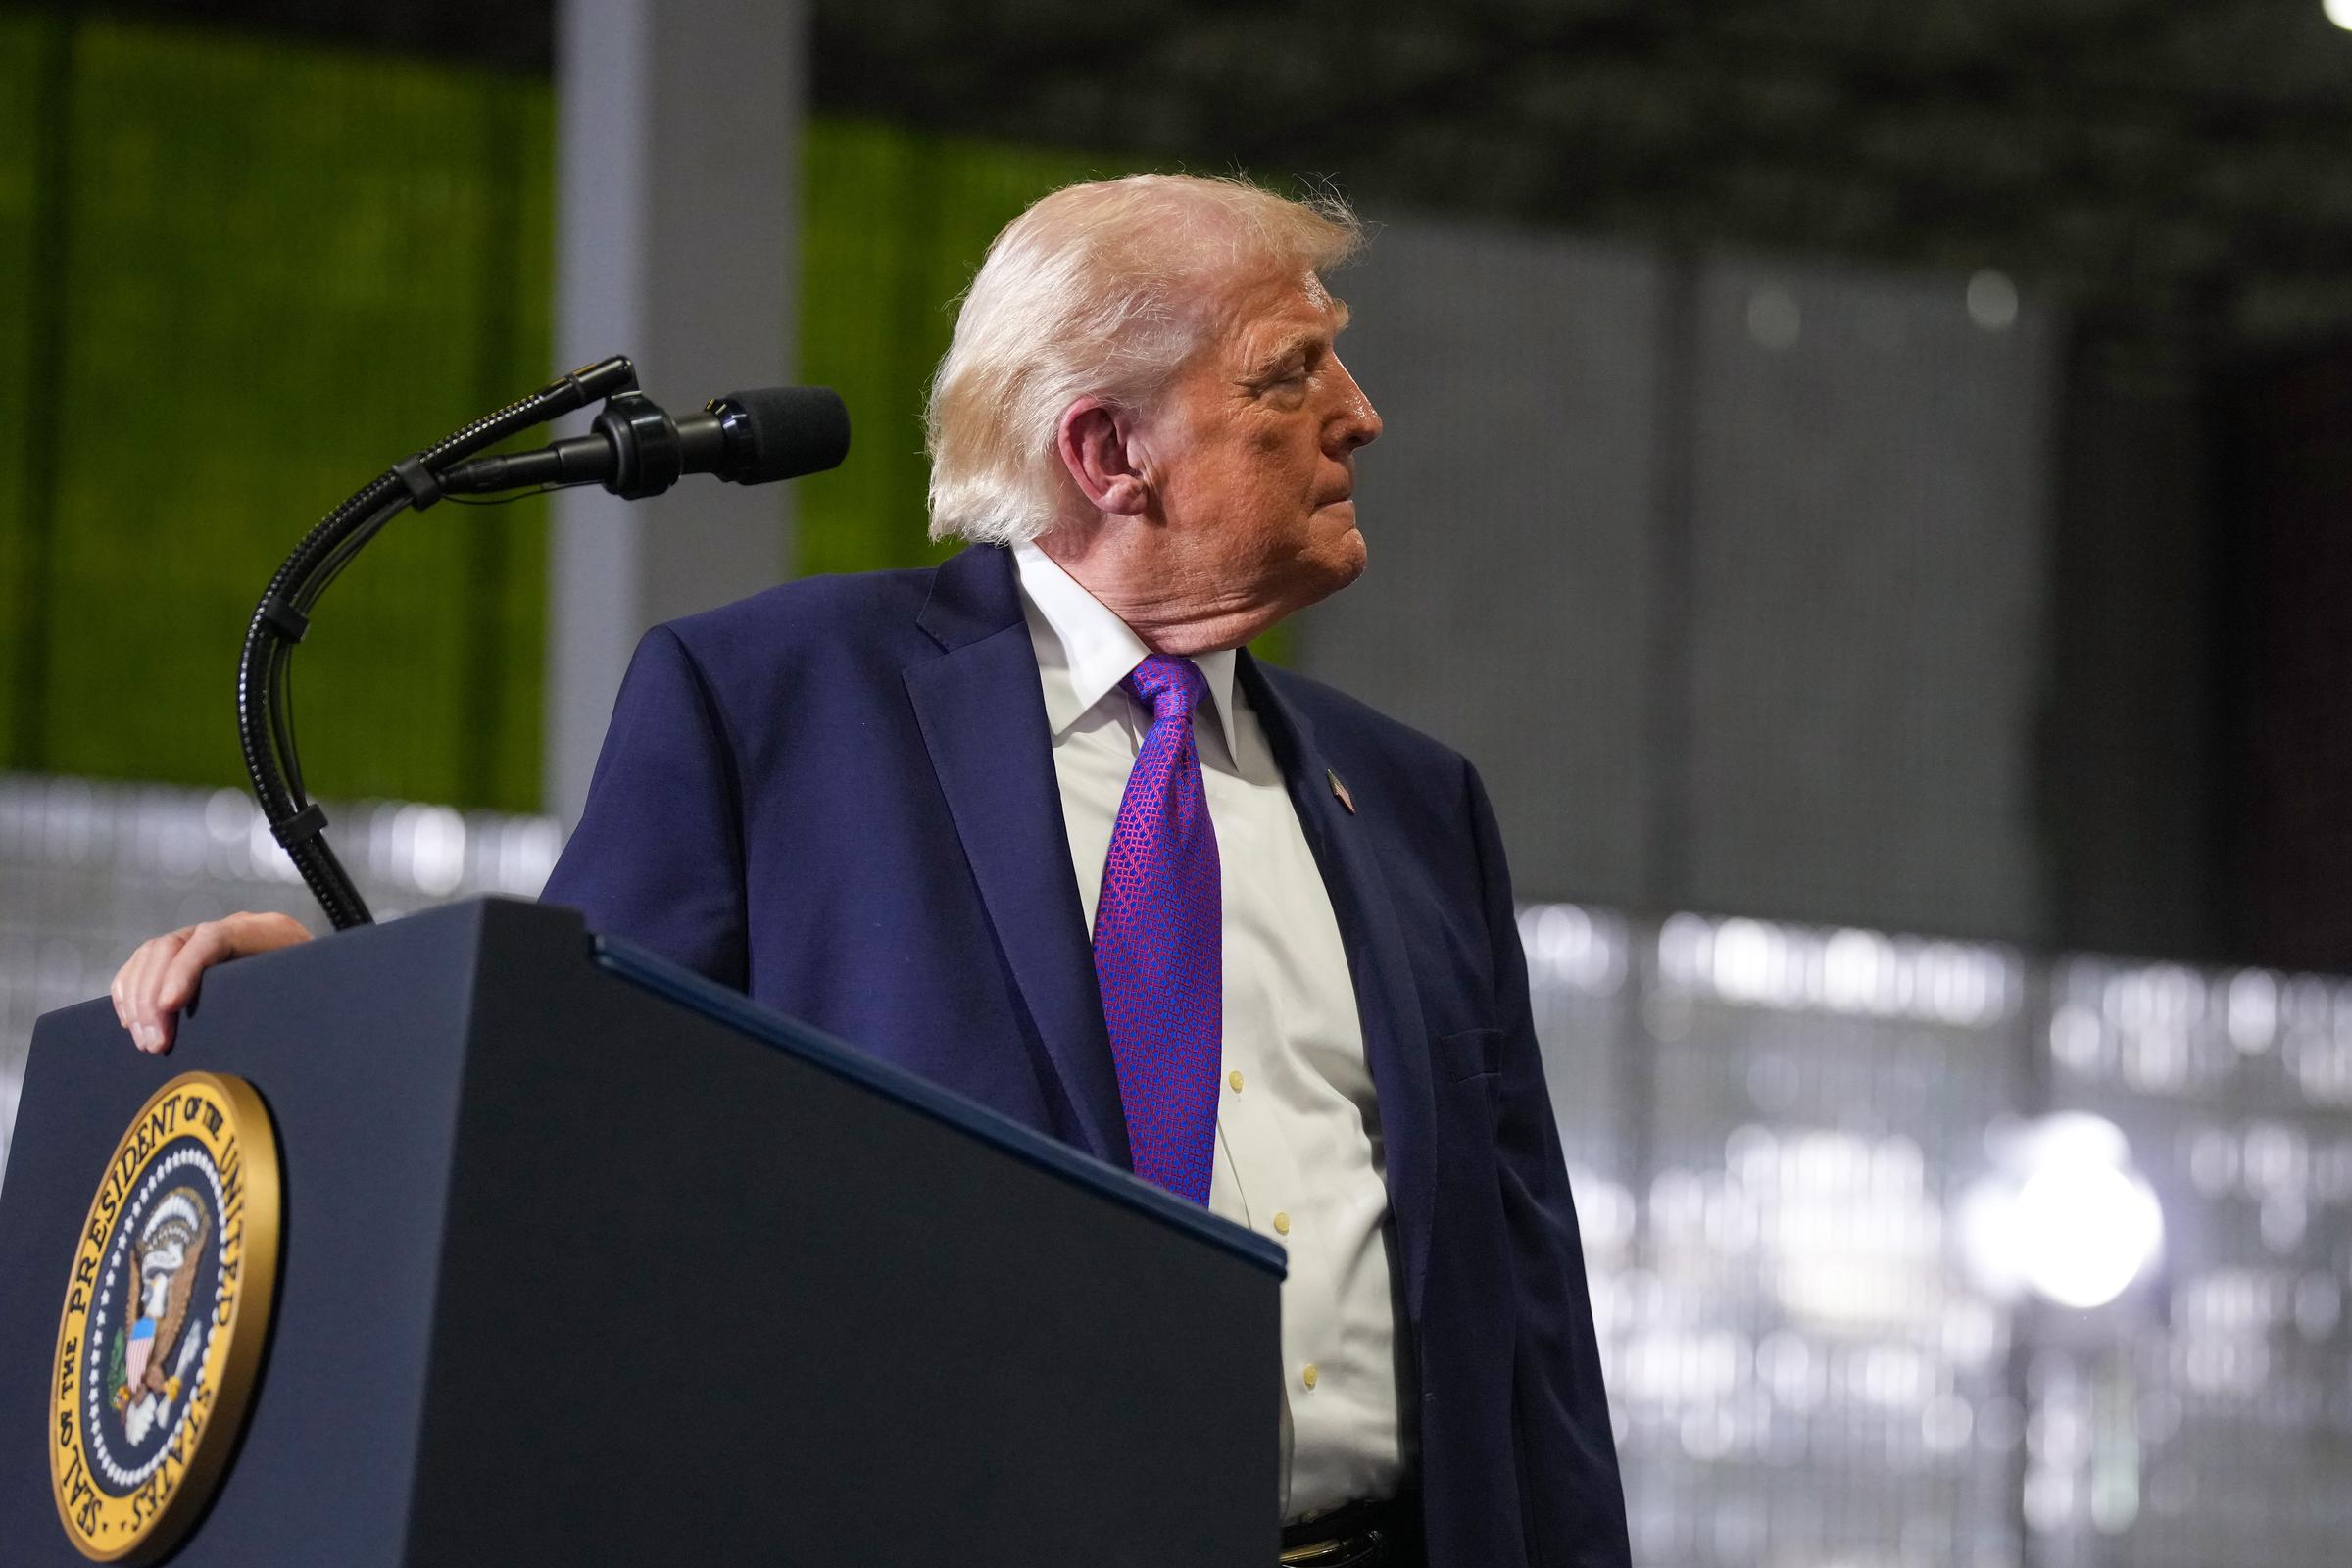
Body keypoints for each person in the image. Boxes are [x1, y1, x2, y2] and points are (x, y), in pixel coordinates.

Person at [111, 174, 1631, 1568]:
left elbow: (1529, 1324)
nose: (1359, 414)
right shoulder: (773, 708)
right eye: (1290, 374)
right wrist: (344, 1038)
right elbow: (570, 1115)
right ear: (1109, 452)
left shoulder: (1420, 808)